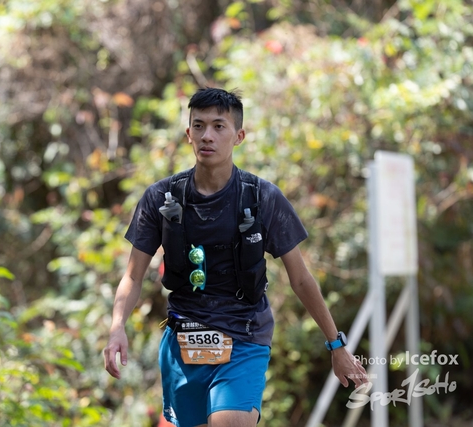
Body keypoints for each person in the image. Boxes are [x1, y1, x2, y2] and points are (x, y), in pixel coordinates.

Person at [103, 87, 367, 427]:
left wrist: (336, 345)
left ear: (238, 136)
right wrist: (117, 328)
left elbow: (301, 279)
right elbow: (133, 276)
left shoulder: (263, 198)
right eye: (199, 126)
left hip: (244, 336)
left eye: (219, 126)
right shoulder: (160, 198)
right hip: (184, 340)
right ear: (188, 134)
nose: (207, 136)